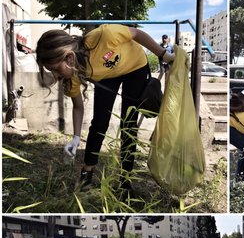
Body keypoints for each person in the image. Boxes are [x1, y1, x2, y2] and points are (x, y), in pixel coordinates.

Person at [36, 24, 175, 193]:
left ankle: (125, 179)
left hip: (135, 65)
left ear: (69, 58)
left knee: (128, 123)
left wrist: (164, 55)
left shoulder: (103, 36)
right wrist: (76, 138)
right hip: (107, 75)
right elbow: (78, 107)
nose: (56, 77)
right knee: (100, 122)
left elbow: (137, 33)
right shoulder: (73, 75)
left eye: (56, 69)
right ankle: (87, 174)